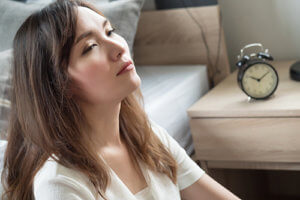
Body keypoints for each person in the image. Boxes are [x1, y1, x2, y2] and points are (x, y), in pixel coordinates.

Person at [0, 0, 241, 199]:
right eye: (90, 46)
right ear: (59, 84)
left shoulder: (147, 136)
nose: (118, 47)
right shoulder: (61, 185)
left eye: (110, 31)